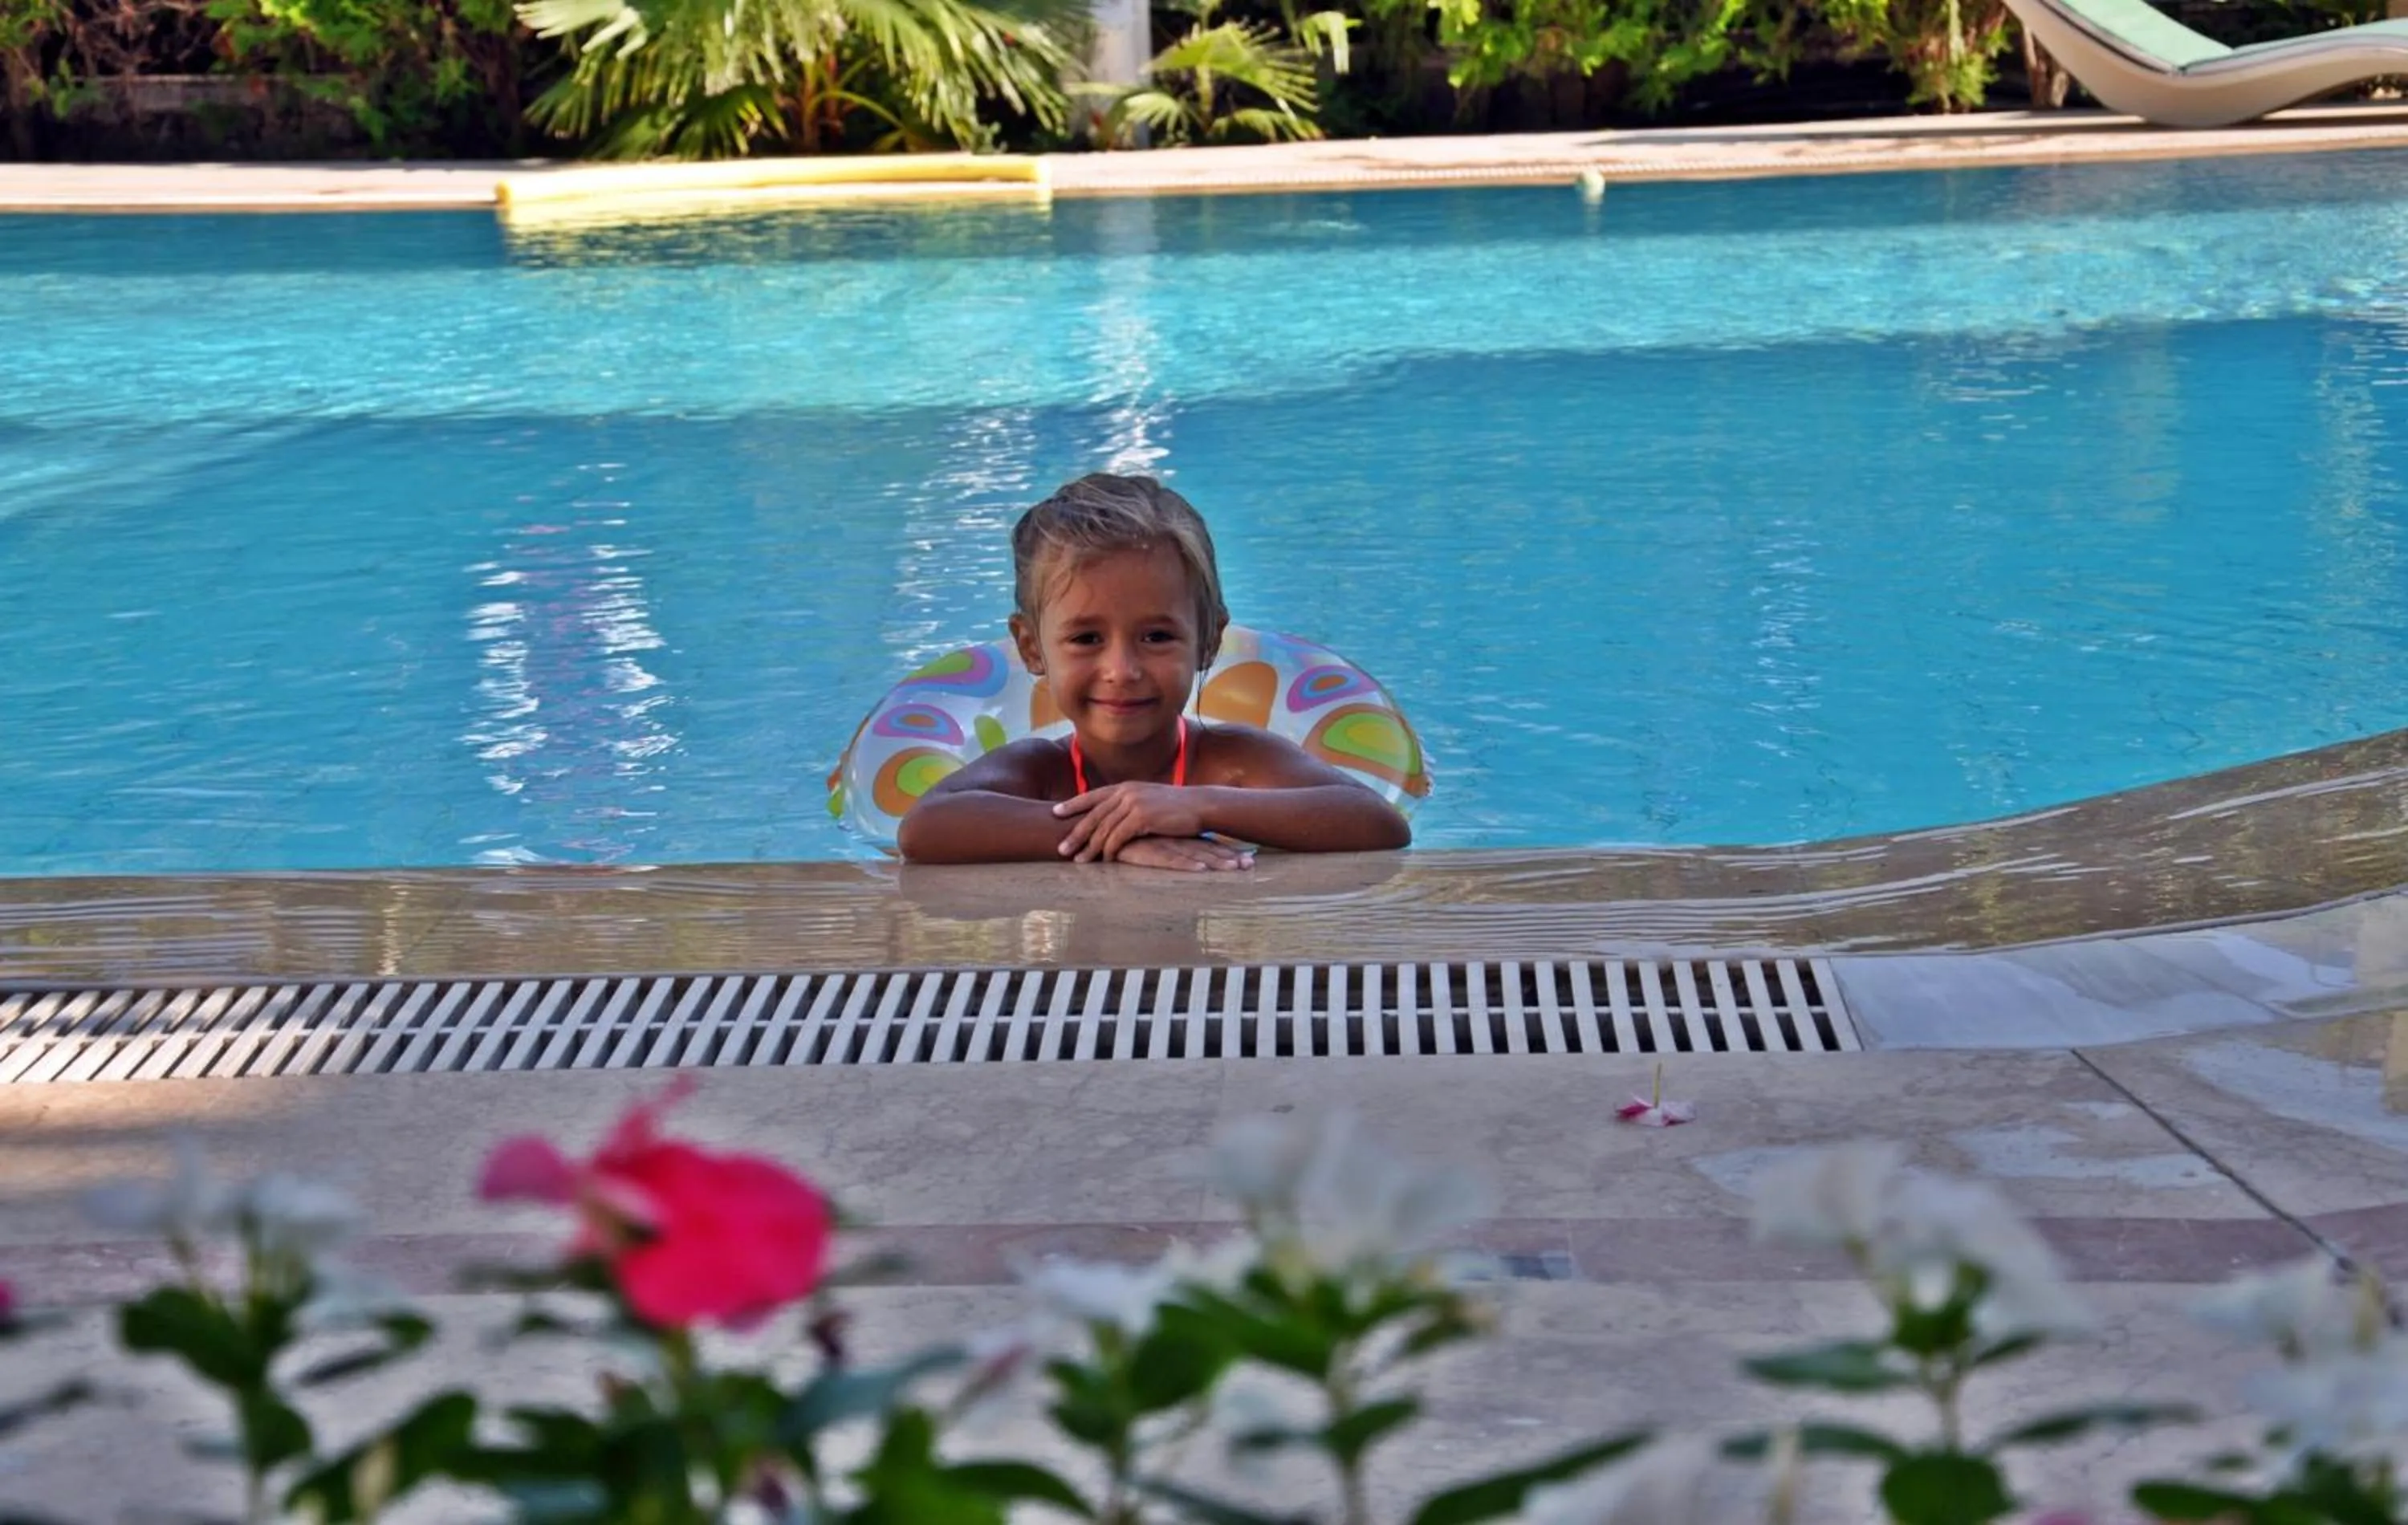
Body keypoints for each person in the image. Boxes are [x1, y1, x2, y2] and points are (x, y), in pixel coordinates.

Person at [896, 474, 1413, 870]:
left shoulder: (1232, 764)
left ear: (1208, 641)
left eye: (1157, 637)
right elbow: (925, 828)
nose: (1122, 670)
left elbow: (1376, 822)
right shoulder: (1040, 773)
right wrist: (1117, 834)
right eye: (1086, 639)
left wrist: (1198, 807)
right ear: (1032, 648)